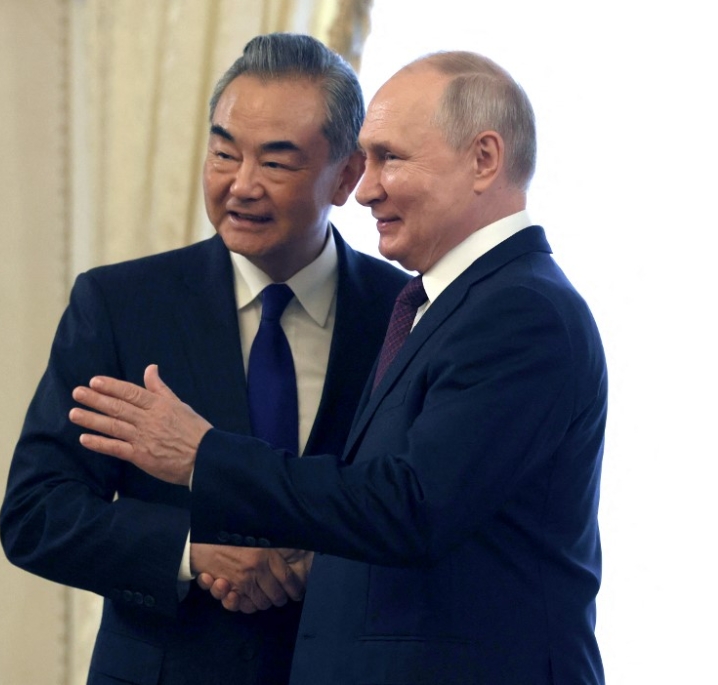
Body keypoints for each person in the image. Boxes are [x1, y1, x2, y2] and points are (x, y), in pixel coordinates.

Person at [69, 50, 607, 684]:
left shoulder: (520, 311)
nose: (367, 189)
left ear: (484, 159)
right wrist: (308, 563)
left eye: (390, 158)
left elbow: (410, 507)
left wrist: (203, 457)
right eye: (224, 153)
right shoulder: (447, 302)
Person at [0, 33, 409, 685]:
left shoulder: (404, 315)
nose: (240, 185)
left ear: (347, 175)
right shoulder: (122, 304)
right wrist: (191, 553)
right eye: (223, 153)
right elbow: (36, 512)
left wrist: (318, 564)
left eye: (276, 162)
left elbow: (415, 510)